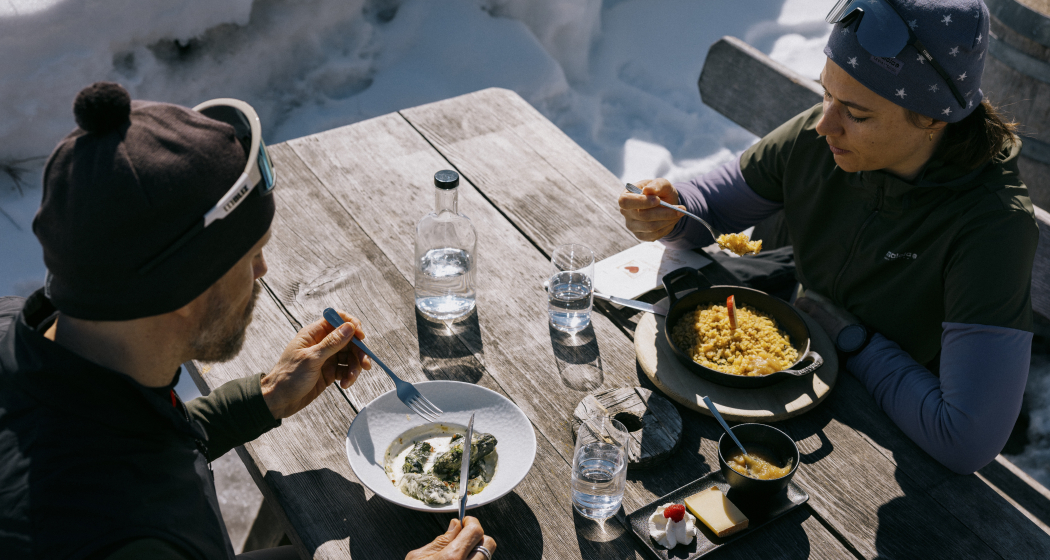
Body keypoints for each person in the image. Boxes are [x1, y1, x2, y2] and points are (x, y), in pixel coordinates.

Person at [0, 82, 496, 560]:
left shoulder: (34, 340)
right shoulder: (125, 534)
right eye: (251, 256)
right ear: (183, 288)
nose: (263, 271)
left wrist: (264, 396)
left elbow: (125, 441)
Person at [619, 0, 1037, 475]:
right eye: (826, 95)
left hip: (882, 434)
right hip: (774, 384)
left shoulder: (992, 228)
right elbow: (709, 207)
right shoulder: (822, 137)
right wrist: (669, 213)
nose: (823, 125)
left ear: (934, 118)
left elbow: (965, 439)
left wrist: (848, 337)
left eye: (856, 114)